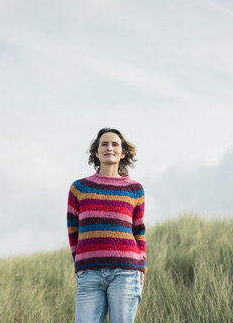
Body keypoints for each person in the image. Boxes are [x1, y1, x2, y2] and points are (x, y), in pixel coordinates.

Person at [67, 127, 147, 323]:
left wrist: (142, 266)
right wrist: (81, 262)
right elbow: (73, 230)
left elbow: (139, 230)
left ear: (123, 152)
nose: (109, 147)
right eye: (104, 144)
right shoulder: (79, 188)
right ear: (96, 152)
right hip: (89, 274)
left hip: (126, 272)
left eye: (115, 144)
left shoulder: (134, 189)